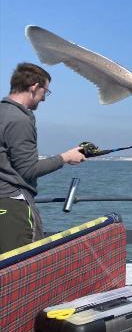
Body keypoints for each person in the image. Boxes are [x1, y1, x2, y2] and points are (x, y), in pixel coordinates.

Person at [0, 62, 86, 254]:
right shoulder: (19, 120)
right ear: (34, 88)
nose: (44, 99)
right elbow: (28, 170)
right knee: (20, 268)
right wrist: (65, 158)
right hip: (13, 205)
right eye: (45, 91)